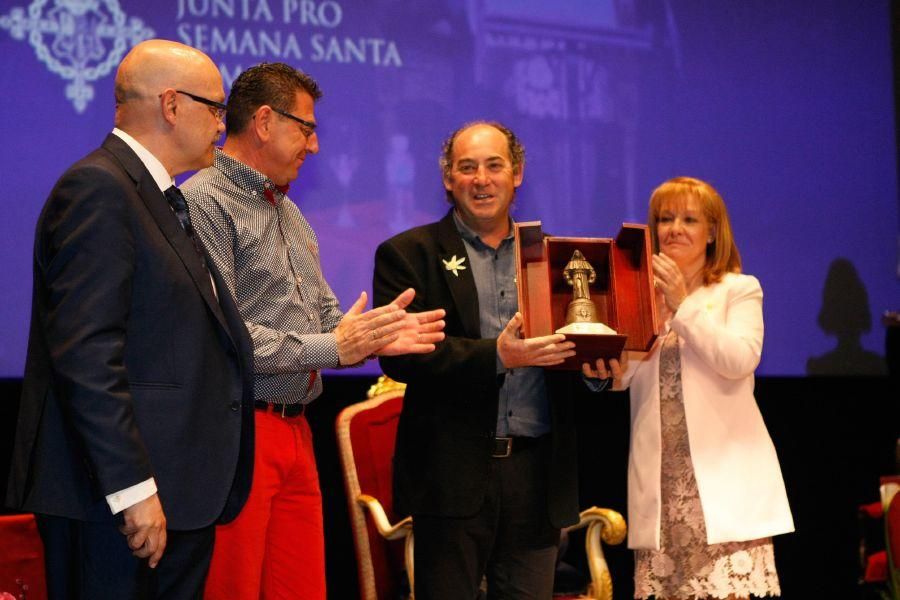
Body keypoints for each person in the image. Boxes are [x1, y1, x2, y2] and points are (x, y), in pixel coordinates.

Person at [181, 62, 445, 599]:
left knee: (302, 589)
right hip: (238, 432)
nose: (315, 145)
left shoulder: (291, 215)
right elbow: (224, 338)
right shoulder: (204, 201)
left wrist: (372, 336)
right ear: (263, 121)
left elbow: (325, 317)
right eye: (306, 128)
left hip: (298, 430)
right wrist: (336, 345)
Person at [6, 40, 255, 598]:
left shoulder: (156, 195)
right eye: (216, 108)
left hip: (173, 496)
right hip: (115, 505)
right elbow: (88, 356)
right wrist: (133, 491)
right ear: (171, 105)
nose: (223, 124)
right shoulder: (100, 189)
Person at [373, 121, 610, 599]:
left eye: (494, 165)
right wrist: (496, 356)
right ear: (448, 179)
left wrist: (595, 372)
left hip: (538, 476)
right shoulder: (407, 254)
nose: (481, 179)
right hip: (451, 477)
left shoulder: (557, 259)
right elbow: (401, 359)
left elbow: (574, 348)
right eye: (467, 167)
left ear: (517, 173)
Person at [598, 176, 794, 599]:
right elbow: (622, 379)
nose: (675, 229)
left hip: (723, 489)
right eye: (665, 219)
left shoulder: (738, 290)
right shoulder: (638, 295)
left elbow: (739, 360)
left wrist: (682, 304)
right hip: (663, 492)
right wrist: (602, 364)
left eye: (689, 219)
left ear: (713, 233)